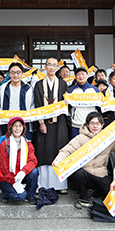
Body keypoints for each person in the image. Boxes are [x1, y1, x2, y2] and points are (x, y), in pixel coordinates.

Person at [53, 111, 115, 208]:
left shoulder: (107, 139)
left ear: (102, 125)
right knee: (78, 173)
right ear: (87, 125)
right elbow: (67, 150)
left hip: (101, 173)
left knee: (109, 191)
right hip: (85, 173)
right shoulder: (80, 138)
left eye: (97, 123)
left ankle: (96, 194)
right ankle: (83, 196)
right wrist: (58, 159)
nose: (95, 126)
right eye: (92, 123)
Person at [33, 58, 71, 193]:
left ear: (57, 67)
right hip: (43, 123)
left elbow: (67, 104)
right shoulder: (38, 85)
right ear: (45, 66)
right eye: (49, 64)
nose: (51, 67)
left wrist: (68, 103)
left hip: (59, 122)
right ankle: (42, 185)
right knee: (43, 151)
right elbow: (37, 104)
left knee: (59, 150)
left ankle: (60, 185)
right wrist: (41, 123)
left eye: (54, 65)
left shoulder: (63, 84)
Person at [0, 117, 38, 204]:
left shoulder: (27, 144)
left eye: (20, 126)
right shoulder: (5, 144)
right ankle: (6, 192)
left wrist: (23, 172)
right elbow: (2, 168)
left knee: (34, 172)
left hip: (21, 175)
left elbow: (33, 161)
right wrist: (13, 181)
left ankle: (30, 195)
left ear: (23, 128)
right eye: (15, 126)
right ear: (10, 128)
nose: (18, 128)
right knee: (20, 196)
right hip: (8, 178)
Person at [0, 63, 35, 138]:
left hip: (23, 123)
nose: (15, 75)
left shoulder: (28, 89)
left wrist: (30, 112)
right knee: (7, 145)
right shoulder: (3, 88)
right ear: (9, 74)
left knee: (23, 146)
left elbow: (33, 104)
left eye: (18, 72)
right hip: (6, 122)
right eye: (12, 72)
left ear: (22, 74)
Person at [68, 66, 101, 139]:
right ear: (75, 77)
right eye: (78, 74)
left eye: (83, 74)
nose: (81, 76)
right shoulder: (71, 90)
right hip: (76, 124)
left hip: (91, 126)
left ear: (87, 75)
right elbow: (68, 108)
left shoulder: (95, 90)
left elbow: (99, 107)